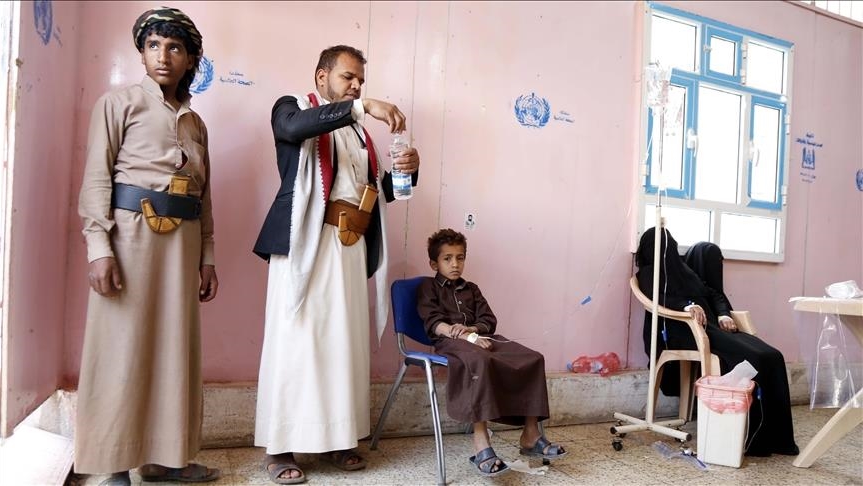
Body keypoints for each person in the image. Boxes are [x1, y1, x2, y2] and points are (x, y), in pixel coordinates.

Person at [252, 45, 420, 484]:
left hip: (351, 246)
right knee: (297, 342)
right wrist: (362, 107)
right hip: (307, 243)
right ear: (321, 76)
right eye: (349, 77)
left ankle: (338, 439)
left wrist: (408, 172)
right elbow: (294, 128)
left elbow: (374, 194)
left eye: (361, 81)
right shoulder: (291, 108)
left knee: (343, 345)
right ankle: (280, 448)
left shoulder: (360, 136)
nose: (356, 86)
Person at [75, 7, 219, 485]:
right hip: (130, 238)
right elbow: (97, 178)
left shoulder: (196, 124)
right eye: (154, 45)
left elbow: (204, 196)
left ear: (190, 59)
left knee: (175, 349)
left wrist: (208, 257)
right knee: (122, 347)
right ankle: (114, 464)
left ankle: (166, 459)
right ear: (141, 53)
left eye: (175, 48)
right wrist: (99, 247)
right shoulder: (117, 104)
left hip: (183, 244)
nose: (163, 56)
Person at [635, 228, 799, 457]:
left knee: (773, 355)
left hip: (716, 327)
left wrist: (723, 314)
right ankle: (756, 439)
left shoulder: (685, 271)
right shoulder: (648, 274)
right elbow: (658, 299)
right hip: (685, 331)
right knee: (755, 359)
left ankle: (780, 439)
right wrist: (687, 306)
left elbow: (713, 294)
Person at [416, 229, 566, 477]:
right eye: (447, 258)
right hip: (451, 343)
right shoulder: (428, 287)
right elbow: (432, 322)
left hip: (481, 339)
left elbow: (488, 320)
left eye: (460, 258)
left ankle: (530, 434)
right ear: (434, 263)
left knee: (533, 358)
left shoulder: (471, 289)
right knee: (480, 360)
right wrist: (459, 334)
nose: (455, 264)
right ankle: (480, 442)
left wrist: (473, 330)